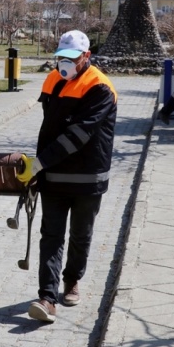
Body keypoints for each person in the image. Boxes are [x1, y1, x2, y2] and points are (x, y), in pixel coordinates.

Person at [16, 30, 118, 323]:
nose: (65, 63)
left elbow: (79, 134)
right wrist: (39, 168)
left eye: (71, 58)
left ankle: (71, 280)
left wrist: (41, 162)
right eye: (61, 57)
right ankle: (47, 298)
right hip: (54, 175)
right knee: (51, 236)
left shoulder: (100, 87)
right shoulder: (53, 79)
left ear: (87, 56)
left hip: (88, 176)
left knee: (80, 235)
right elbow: (48, 129)